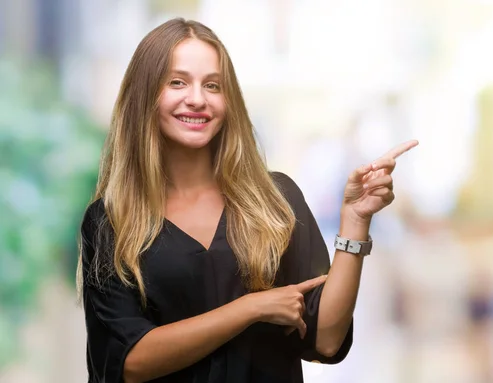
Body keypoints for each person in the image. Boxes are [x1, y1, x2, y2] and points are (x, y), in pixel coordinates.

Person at [76, 17, 418, 383]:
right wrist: (250, 308)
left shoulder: (276, 201)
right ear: (145, 94)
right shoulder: (112, 221)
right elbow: (128, 361)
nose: (197, 98)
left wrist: (355, 220)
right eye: (177, 82)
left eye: (212, 85)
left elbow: (327, 340)